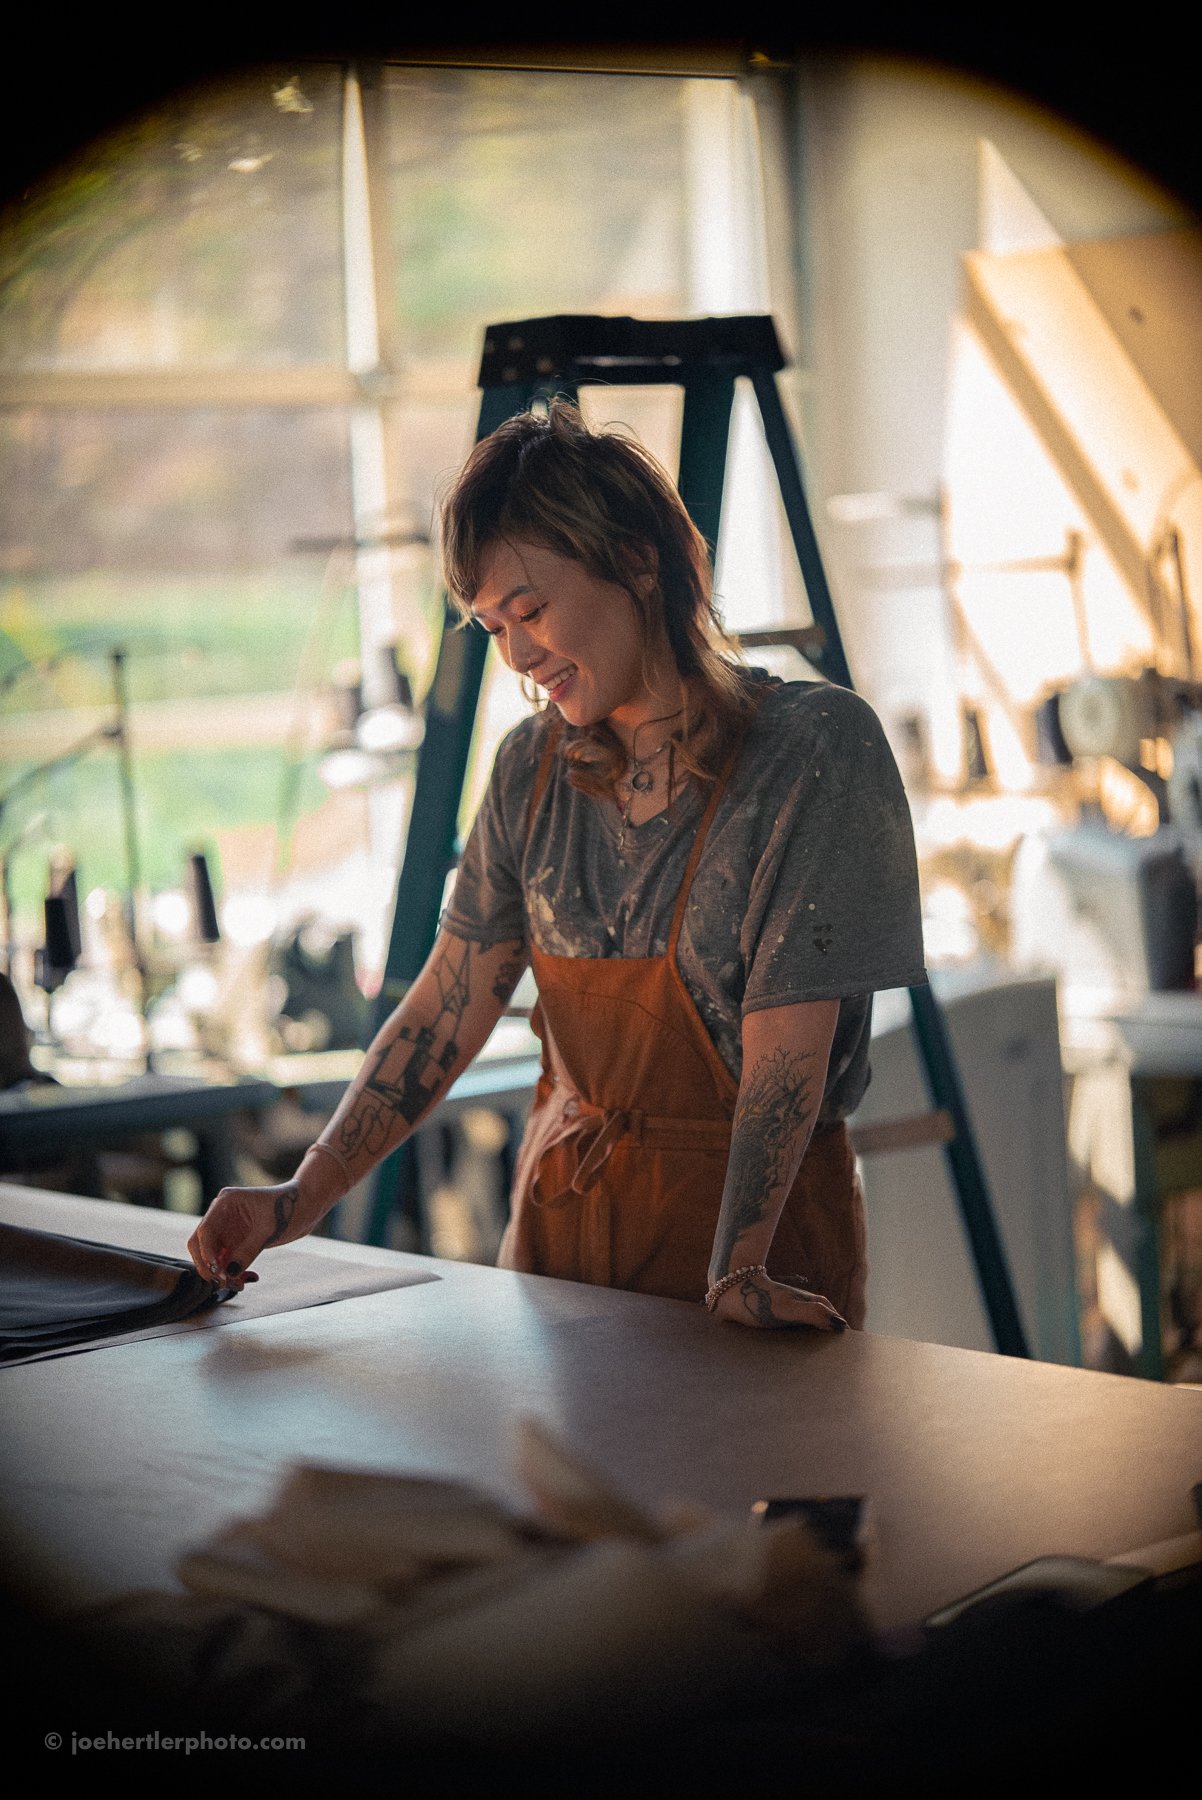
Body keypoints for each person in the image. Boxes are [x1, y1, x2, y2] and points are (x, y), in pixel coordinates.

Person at [187, 401, 926, 1329]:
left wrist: (737, 1270)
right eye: (494, 628)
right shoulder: (530, 770)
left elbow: (788, 1054)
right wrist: (300, 1195)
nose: (521, 657)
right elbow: (446, 1006)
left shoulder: (811, 753)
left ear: (637, 562)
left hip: (752, 1260)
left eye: (530, 610)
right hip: (561, 1249)